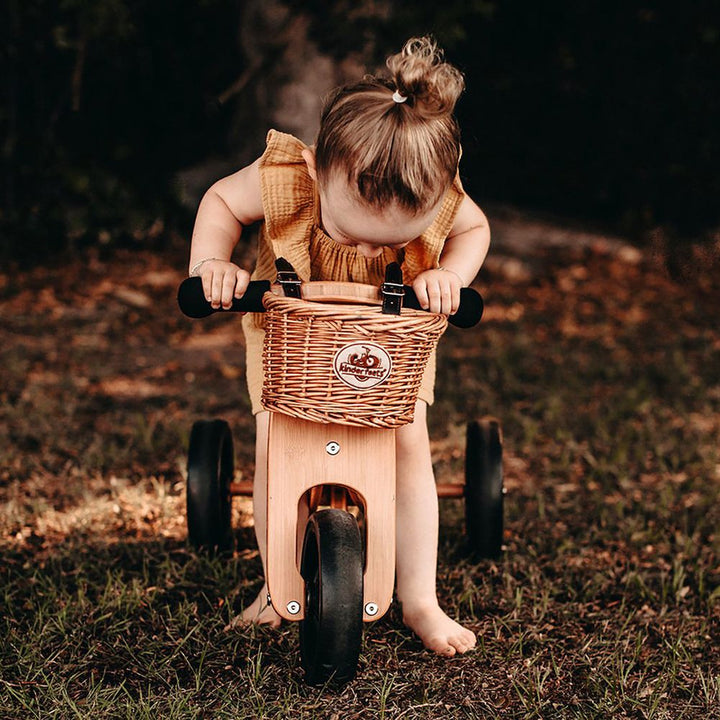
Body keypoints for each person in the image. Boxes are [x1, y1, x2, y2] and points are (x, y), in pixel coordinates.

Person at [188, 36, 490, 657]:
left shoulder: (435, 189)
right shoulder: (285, 177)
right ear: (322, 171)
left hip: (390, 345)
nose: (373, 255)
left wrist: (450, 277)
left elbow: (474, 228)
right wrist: (210, 264)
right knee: (279, 446)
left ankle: (420, 598)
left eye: (393, 245)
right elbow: (220, 201)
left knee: (408, 445)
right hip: (292, 341)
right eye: (354, 236)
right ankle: (277, 591)